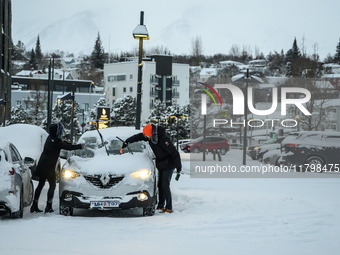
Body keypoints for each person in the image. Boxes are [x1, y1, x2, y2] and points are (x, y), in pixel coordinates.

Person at [123, 124, 182, 213]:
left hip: (169, 164)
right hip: (161, 164)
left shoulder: (163, 140)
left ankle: (169, 207)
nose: (146, 137)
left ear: (153, 133)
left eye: (147, 135)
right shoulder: (151, 137)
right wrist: (127, 141)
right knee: (160, 185)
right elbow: (138, 136)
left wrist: (178, 168)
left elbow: (175, 153)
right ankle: (161, 206)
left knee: (165, 185)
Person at [30, 122, 83, 213]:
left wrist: (67, 143)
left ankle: (34, 205)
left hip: (42, 164)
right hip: (49, 167)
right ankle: (48, 206)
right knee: (52, 185)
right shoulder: (56, 142)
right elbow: (67, 147)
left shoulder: (50, 138)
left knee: (40, 185)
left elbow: (63, 143)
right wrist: (80, 146)